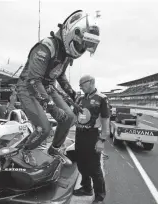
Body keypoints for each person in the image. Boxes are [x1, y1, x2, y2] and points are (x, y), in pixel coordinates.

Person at [16, 10, 100, 167]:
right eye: (82, 43)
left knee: (69, 117)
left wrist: (73, 94)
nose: (81, 49)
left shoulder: (67, 53)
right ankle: (24, 150)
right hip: (27, 87)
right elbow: (33, 80)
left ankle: (54, 149)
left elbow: (59, 76)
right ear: (71, 34)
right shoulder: (46, 47)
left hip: (47, 86)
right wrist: (52, 107)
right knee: (44, 129)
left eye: (85, 46)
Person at [73, 75, 110, 204]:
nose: (81, 87)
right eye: (80, 85)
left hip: (93, 135)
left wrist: (102, 140)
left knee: (94, 167)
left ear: (91, 82)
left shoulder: (102, 98)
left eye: (82, 84)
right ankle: (86, 188)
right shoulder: (79, 98)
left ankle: (100, 196)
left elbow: (106, 121)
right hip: (79, 134)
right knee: (81, 164)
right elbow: (75, 116)